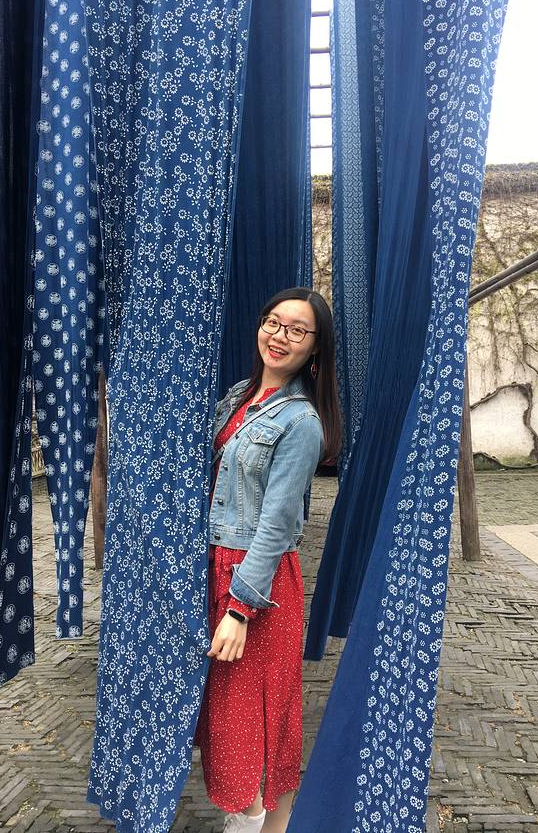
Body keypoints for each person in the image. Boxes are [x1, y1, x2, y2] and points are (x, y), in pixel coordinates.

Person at [195, 287, 342, 833]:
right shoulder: (239, 395)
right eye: (273, 322)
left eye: (297, 330)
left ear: (315, 347)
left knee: (242, 721)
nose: (279, 336)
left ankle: (248, 823)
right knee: (246, 716)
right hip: (219, 566)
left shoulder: (301, 422)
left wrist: (239, 609)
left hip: (255, 581)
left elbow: (277, 525)